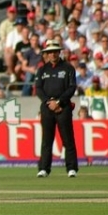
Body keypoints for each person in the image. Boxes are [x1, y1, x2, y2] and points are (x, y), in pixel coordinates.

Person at [34, 40, 79, 178]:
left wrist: (59, 102)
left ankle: (71, 168)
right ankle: (44, 169)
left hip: (63, 106)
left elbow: (72, 88)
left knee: (67, 139)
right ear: (46, 54)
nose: (52, 54)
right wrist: (49, 102)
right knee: (47, 140)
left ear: (59, 52)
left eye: (55, 51)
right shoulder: (42, 69)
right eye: (50, 52)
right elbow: (39, 89)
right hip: (47, 107)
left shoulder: (68, 68)